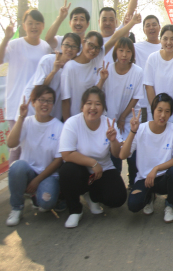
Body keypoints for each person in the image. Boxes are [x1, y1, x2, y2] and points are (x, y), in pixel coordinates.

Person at [58, 87, 127, 228]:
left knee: (118, 198)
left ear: (103, 108)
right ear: (82, 106)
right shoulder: (72, 123)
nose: (93, 108)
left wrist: (113, 140)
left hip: (103, 170)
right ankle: (75, 211)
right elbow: (66, 154)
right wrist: (93, 163)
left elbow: (117, 154)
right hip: (80, 170)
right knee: (66, 170)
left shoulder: (109, 124)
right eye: (89, 103)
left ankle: (92, 196)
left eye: (98, 104)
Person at [0, 9, 53, 164]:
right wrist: (6, 38)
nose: (34, 27)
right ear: (24, 26)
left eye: (37, 23)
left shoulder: (46, 48)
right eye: (30, 23)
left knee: (33, 145)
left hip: (37, 105)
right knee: (17, 147)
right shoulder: (15, 44)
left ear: (43, 26)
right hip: (16, 104)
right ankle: (14, 178)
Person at [61, 14, 141, 121]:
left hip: (94, 118)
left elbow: (115, 38)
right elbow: (65, 100)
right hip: (76, 119)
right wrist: (67, 124)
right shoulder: (70, 67)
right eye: (90, 45)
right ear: (84, 42)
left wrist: (132, 22)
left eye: (97, 48)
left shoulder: (96, 58)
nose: (93, 50)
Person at [5, 85, 64, 226]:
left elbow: (58, 160)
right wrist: (21, 117)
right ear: (33, 102)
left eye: (49, 101)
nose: (45, 104)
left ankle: (37, 197)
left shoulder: (59, 127)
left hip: (48, 175)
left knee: (46, 203)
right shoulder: (26, 122)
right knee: (17, 167)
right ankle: (17, 207)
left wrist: (37, 180)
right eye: (41, 100)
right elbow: (11, 143)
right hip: (28, 171)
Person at [122, 93, 173, 223]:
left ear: (171, 114)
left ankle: (170, 204)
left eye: (167, 111)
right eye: (159, 110)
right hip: (145, 178)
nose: (163, 115)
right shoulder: (141, 129)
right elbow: (123, 155)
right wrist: (132, 131)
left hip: (163, 178)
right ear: (153, 110)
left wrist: (156, 168)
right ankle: (149, 197)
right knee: (133, 205)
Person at [97, 37, 143, 184]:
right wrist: (102, 79)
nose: (124, 54)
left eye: (128, 51)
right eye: (121, 50)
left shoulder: (137, 71)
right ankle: (114, 183)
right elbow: (96, 94)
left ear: (132, 54)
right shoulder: (108, 69)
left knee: (132, 153)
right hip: (110, 119)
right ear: (115, 52)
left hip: (129, 118)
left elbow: (136, 97)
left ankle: (134, 182)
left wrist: (123, 117)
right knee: (114, 153)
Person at [23, 32, 81, 120]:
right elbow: (38, 88)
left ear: (78, 50)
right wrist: (54, 71)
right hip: (33, 108)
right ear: (61, 46)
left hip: (53, 111)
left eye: (74, 46)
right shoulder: (47, 60)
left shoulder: (74, 68)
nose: (69, 49)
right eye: (67, 45)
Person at [143, 25, 173, 125]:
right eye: (165, 39)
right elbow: (149, 86)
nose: (169, 42)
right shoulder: (153, 58)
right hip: (156, 113)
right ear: (160, 39)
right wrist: (156, 110)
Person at [134, 15, 162, 122]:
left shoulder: (167, 46)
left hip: (164, 100)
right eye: (148, 25)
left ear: (159, 27)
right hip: (143, 102)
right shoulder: (136, 47)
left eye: (154, 25)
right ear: (144, 30)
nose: (151, 28)